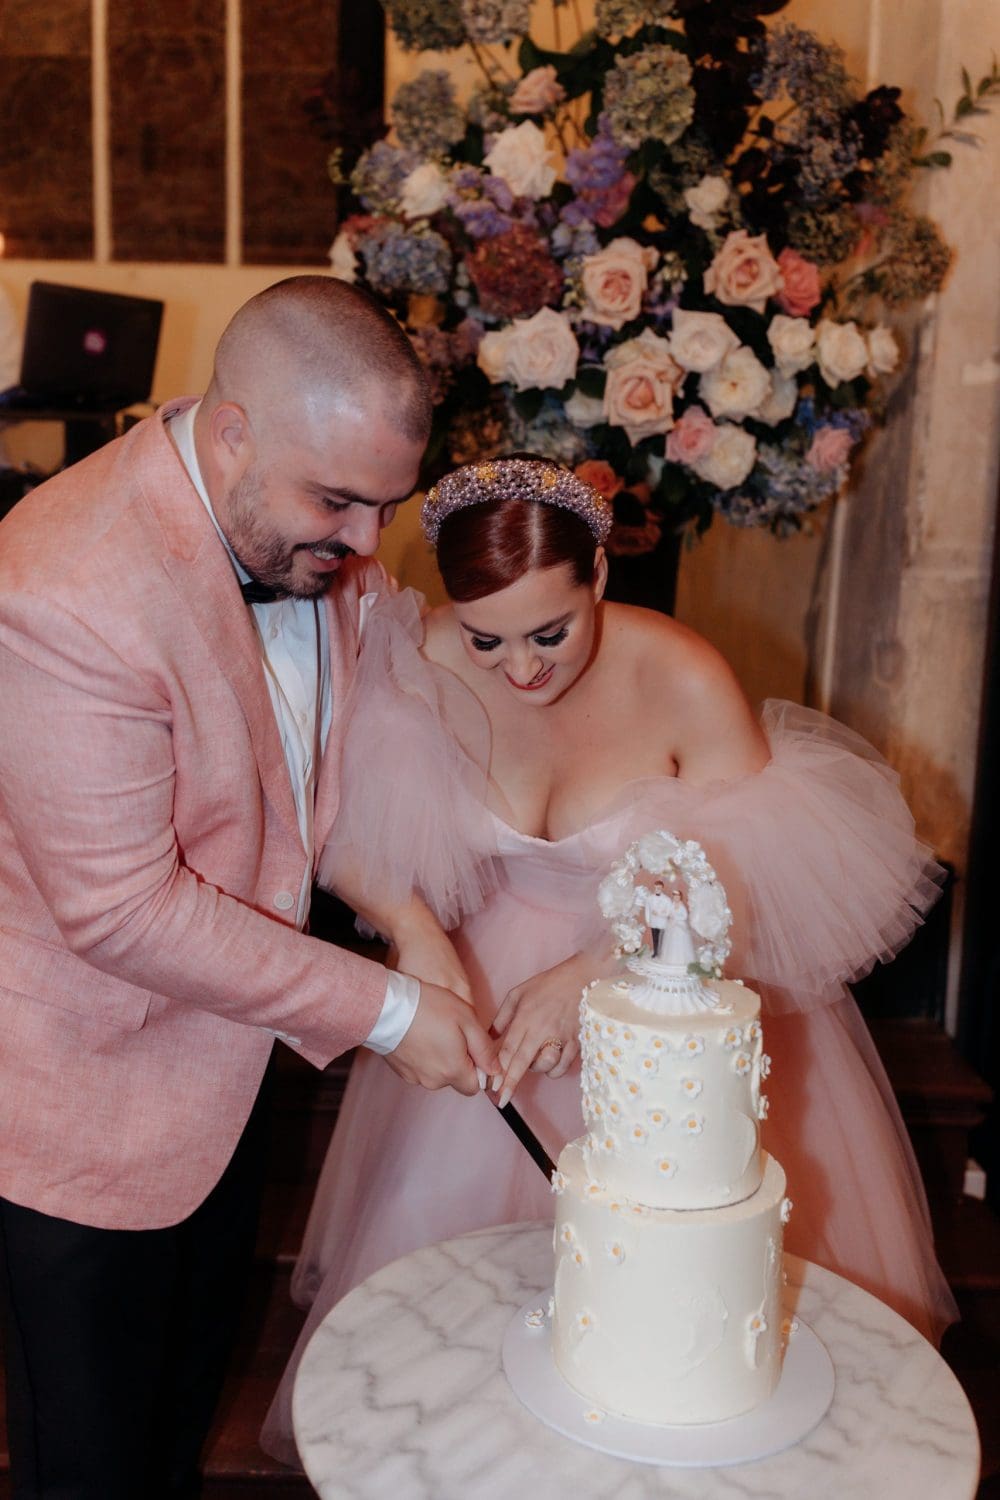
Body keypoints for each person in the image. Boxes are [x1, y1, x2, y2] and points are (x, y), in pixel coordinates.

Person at [260, 453, 958, 1466]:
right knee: (464, 1339)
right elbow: (357, 830)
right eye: (488, 637)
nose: (523, 670)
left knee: (678, 1341)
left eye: (551, 632)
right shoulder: (425, 660)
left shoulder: (681, 674)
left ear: (597, 572)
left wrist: (597, 968)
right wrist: (416, 932)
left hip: (665, 1012)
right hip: (486, 996)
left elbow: (752, 881)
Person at [0, 276, 497, 1500]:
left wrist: (413, 927)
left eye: (385, 504)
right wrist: (388, 1011)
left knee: (173, 1442)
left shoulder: (306, 538)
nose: (365, 546)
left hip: (219, 1091)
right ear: (232, 432)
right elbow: (120, 909)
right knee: (90, 1473)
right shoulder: (60, 591)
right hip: (77, 1113)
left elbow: (304, 800)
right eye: (337, 499)